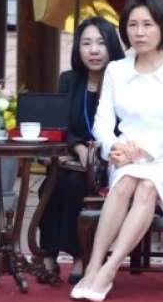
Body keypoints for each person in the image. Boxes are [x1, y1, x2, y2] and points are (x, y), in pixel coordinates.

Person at [71, 0, 163, 302]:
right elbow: (102, 123)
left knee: (147, 186)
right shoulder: (117, 69)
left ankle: (108, 271)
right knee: (128, 179)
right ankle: (93, 266)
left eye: (147, 25)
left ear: (162, 28)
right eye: (132, 25)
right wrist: (116, 148)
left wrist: (140, 152)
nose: (139, 33)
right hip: (125, 152)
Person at [37, 16, 123, 285]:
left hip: (110, 162)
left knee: (75, 184)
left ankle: (79, 256)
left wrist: (94, 153)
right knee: (50, 183)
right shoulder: (69, 80)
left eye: (100, 43)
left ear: (111, 48)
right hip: (73, 159)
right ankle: (48, 253)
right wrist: (77, 147)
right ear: (78, 48)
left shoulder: (120, 80)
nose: (94, 50)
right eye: (86, 43)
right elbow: (60, 124)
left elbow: (124, 126)